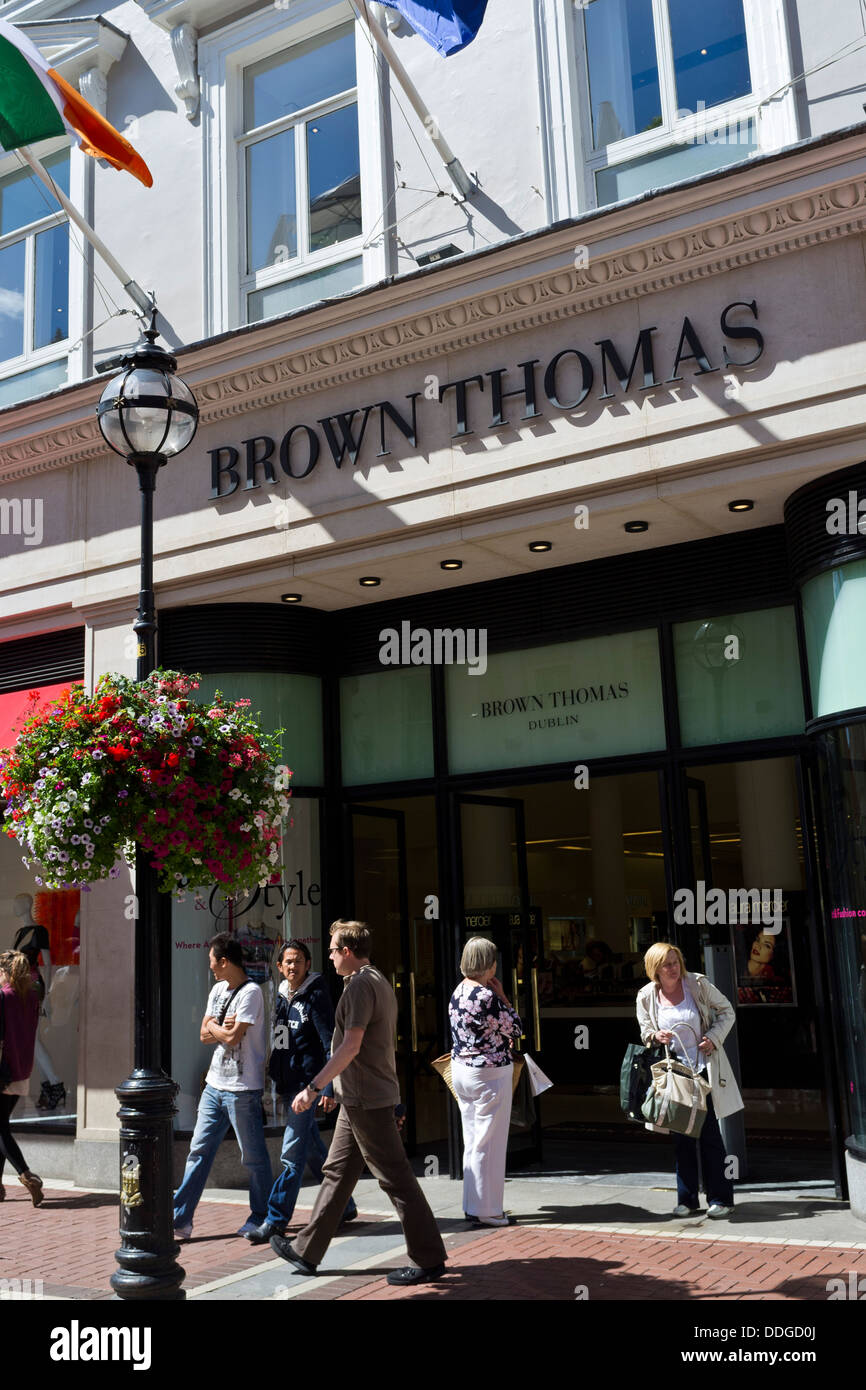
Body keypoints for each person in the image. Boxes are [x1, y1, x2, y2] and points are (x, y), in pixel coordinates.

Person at [269, 919, 447, 1285]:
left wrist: (315, 1087)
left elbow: (351, 1045)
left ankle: (428, 1258)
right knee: (336, 1172)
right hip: (358, 1097)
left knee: (396, 1179)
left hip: (367, 1099)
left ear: (347, 952)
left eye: (333, 950)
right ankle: (307, 1250)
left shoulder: (360, 988)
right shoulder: (374, 980)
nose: (330, 957)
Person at [245, 939, 356, 1243]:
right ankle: (345, 1205)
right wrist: (273, 1078)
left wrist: (329, 1087)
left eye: (298, 961)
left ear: (308, 965)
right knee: (312, 1150)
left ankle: (275, 1219)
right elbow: (280, 1040)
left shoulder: (316, 995)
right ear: (279, 967)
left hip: (309, 1085)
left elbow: (328, 1042)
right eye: (287, 962)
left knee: (291, 1155)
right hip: (287, 1085)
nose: (292, 966)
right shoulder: (280, 996)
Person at [173, 933, 273, 1241]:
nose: (212, 968)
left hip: (243, 1088)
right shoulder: (217, 990)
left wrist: (217, 1029)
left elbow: (231, 1038)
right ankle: (180, 1219)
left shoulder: (252, 993)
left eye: (213, 962)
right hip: (214, 1085)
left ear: (225, 961)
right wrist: (221, 1027)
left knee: (253, 1157)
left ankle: (261, 1216)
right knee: (199, 1151)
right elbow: (205, 1034)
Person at [636, 942, 743, 1219]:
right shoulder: (647, 995)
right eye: (666, 965)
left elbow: (727, 1011)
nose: (673, 969)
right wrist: (654, 1036)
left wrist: (714, 1038)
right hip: (673, 1076)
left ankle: (721, 1199)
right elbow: (645, 1030)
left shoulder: (696, 984)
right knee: (681, 1138)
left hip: (702, 1072)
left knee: (709, 1136)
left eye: (675, 962)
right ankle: (687, 1200)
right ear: (654, 969)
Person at [449, 936, 522, 1227]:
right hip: (490, 1073)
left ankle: (473, 1204)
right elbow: (515, 1027)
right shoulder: (486, 997)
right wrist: (504, 997)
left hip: (462, 1070)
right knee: (489, 1143)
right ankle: (489, 1210)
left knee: (473, 1141)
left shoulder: (459, 990)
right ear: (488, 964)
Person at [0, 950, 43, 1206]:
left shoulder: (4, 996)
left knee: (1, 1129)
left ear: (5, 972)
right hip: (21, 1069)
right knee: (1, 1126)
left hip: (2, 1072)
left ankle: (27, 1176)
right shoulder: (32, 996)